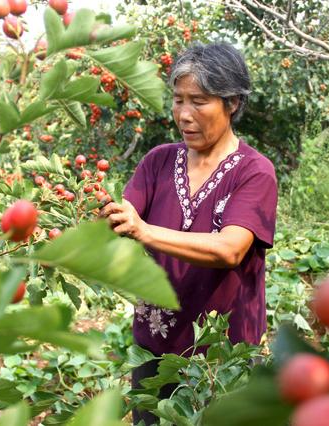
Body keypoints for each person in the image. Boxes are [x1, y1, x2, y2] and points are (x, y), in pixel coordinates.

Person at [99, 41, 278, 425]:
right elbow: (126, 216)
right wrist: (102, 212)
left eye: (198, 101)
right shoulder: (159, 161)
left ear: (232, 103)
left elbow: (229, 249)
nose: (184, 114)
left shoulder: (254, 172)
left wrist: (144, 231)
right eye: (178, 100)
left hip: (222, 359)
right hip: (154, 352)